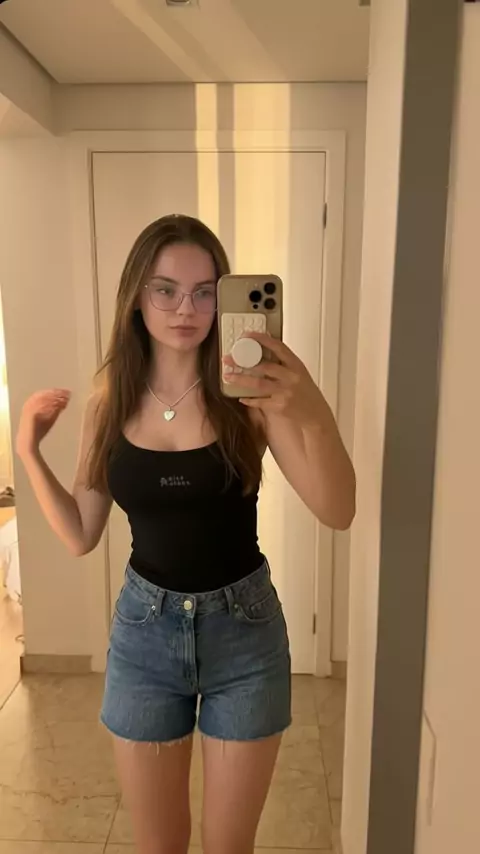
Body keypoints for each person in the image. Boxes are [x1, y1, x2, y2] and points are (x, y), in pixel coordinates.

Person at [16, 214, 356, 854]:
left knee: (229, 846)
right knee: (160, 845)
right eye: (166, 289)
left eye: (204, 292)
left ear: (224, 298)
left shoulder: (250, 397)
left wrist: (310, 407)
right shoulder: (109, 400)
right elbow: (82, 533)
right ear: (136, 296)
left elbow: (338, 509)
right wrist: (28, 453)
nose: (185, 309)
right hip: (144, 637)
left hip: (244, 634)